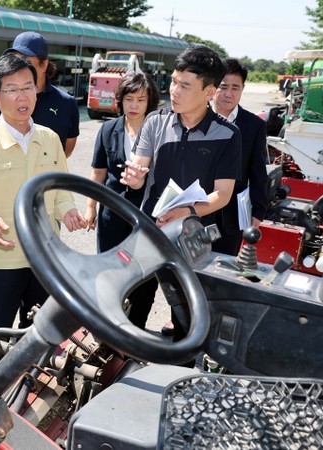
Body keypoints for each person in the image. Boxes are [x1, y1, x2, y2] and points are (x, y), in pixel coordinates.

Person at [0, 53, 87, 329]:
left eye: (28, 87)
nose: (22, 96)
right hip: (3, 257)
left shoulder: (50, 139)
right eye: (12, 89)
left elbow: (60, 187)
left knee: (40, 332)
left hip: (45, 255)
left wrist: (68, 210)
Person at [121, 45, 242, 343]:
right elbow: (138, 171)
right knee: (133, 307)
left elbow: (223, 194)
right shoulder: (155, 122)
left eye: (185, 85)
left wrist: (186, 213)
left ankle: (181, 366)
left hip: (192, 237)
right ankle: (123, 359)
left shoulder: (228, 134)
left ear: (209, 91)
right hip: (149, 232)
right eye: (174, 81)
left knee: (186, 316)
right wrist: (134, 179)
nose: (174, 91)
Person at [84, 72, 161, 329]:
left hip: (148, 216)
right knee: (109, 272)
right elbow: (98, 172)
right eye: (129, 99)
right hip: (112, 213)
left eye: (141, 99)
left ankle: (136, 329)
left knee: (145, 276)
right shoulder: (108, 129)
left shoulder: (159, 130)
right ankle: (109, 327)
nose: (134, 105)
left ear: (150, 101)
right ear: (120, 100)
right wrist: (90, 206)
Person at [0, 31, 80, 157]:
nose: (20, 66)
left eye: (26, 61)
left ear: (44, 65)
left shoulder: (66, 103)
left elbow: (66, 150)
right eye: (15, 59)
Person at [211, 58, 269, 255]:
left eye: (235, 88)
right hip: (195, 213)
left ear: (242, 89)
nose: (228, 93)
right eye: (223, 86)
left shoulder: (253, 125)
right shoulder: (197, 117)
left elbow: (258, 170)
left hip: (231, 217)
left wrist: (259, 211)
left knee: (222, 267)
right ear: (212, 87)